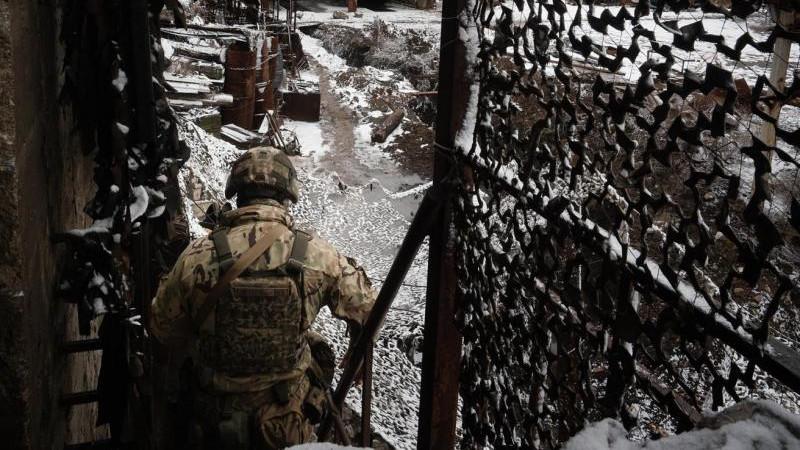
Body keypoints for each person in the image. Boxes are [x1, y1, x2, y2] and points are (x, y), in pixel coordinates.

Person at [150, 147, 376, 449]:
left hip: (212, 424)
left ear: (237, 195)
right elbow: (369, 308)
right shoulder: (317, 255)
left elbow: (163, 329)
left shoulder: (197, 256)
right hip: (286, 426)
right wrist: (356, 355)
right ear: (287, 196)